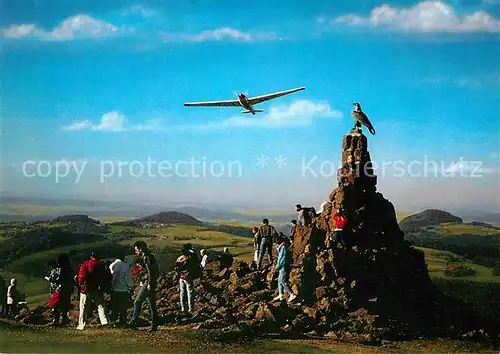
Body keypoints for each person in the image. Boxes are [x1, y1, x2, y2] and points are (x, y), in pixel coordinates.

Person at [129, 241, 159, 331]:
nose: (136, 252)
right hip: (150, 282)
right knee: (151, 304)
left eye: (136, 250)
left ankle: (133, 322)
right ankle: (154, 325)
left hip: (148, 282)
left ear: (141, 249)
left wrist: (149, 282)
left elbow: (150, 271)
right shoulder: (148, 256)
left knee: (137, 302)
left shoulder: (146, 257)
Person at [76, 252, 109, 330]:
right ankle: (105, 322)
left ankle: (81, 325)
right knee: (100, 306)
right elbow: (105, 276)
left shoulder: (86, 264)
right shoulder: (102, 265)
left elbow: (81, 276)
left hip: (87, 289)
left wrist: (80, 284)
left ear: (91, 256)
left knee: (84, 307)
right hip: (98, 288)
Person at [109, 251, 133, 327]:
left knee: (114, 307)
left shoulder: (111, 265)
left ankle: (114, 321)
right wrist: (131, 286)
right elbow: (128, 279)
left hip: (114, 289)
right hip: (123, 289)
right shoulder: (126, 266)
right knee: (123, 307)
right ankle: (122, 321)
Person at [175, 244, 200, 314]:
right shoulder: (190, 257)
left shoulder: (179, 258)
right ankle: (190, 308)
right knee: (190, 292)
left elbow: (176, 268)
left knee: (182, 292)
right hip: (188, 277)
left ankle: (183, 308)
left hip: (181, 276)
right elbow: (197, 261)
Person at [273, 235, 296, 303]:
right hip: (284, 266)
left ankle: (291, 294)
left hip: (283, 266)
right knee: (279, 281)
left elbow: (281, 258)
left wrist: (278, 266)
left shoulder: (283, 248)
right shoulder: (286, 247)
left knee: (283, 281)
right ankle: (280, 295)